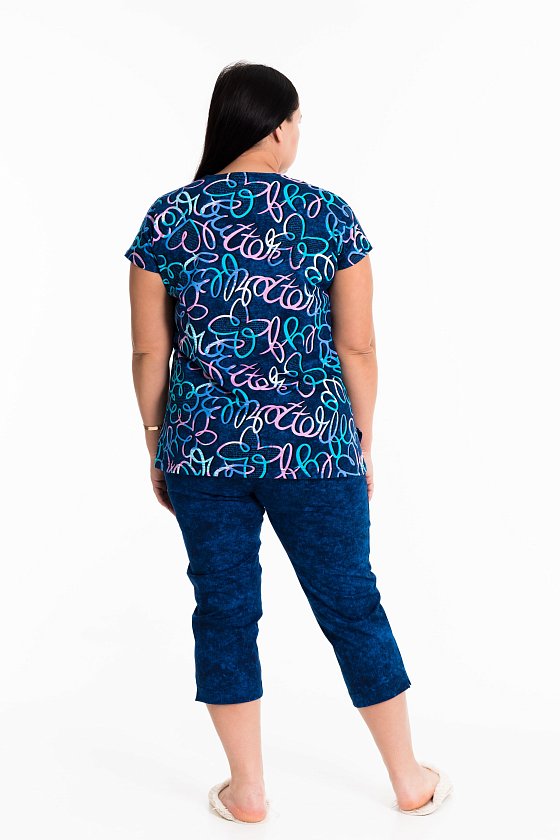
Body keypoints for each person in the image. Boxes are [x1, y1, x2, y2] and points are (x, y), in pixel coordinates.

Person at [124, 60, 453, 824]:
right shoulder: (328, 217)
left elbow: (148, 352)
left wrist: (156, 442)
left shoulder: (167, 220)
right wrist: (358, 441)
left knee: (224, 610)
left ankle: (247, 793)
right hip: (314, 451)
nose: (298, 133)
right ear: (276, 127)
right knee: (353, 605)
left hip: (202, 450)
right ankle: (409, 781)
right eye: (297, 121)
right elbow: (358, 347)